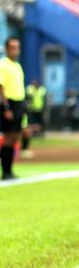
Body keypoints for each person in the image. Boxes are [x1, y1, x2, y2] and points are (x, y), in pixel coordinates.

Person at [0, 38, 26, 180]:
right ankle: (6, 171)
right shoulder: (3, 65)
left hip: (19, 104)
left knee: (14, 137)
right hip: (9, 104)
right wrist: (6, 108)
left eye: (17, 47)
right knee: (8, 138)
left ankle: (9, 169)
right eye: (12, 47)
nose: (15, 50)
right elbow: (1, 87)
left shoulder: (17, 66)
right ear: (7, 49)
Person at [21, 79, 47, 157]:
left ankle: (40, 134)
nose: (34, 84)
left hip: (40, 109)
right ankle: (33, 135)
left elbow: (44, 99)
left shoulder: (42, 90)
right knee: (30, 125)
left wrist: (44, 109)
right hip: (31, 110)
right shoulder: (29, 89)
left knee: (40, 123)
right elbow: (27, 98)